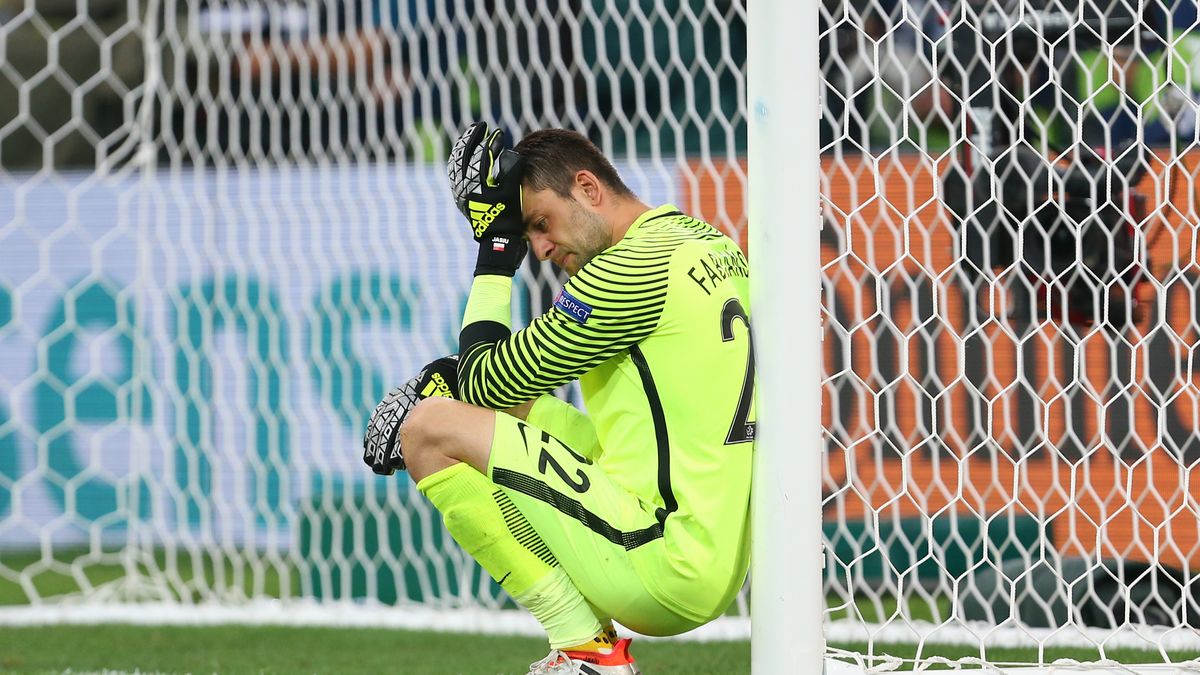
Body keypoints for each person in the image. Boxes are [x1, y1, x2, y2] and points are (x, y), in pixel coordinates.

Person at [363, 123, 755, 674]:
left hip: (663, 561)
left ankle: (586, 650)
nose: (541, 250)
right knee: (470, 407)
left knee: (428, 428)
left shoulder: (629, 269)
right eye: (527, 235)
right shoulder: (706, 241)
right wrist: (454, 378)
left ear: (589, 188)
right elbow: (494, 390)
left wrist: (496, 248)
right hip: (717, 550)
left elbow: (484, 380)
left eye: (540, 225)